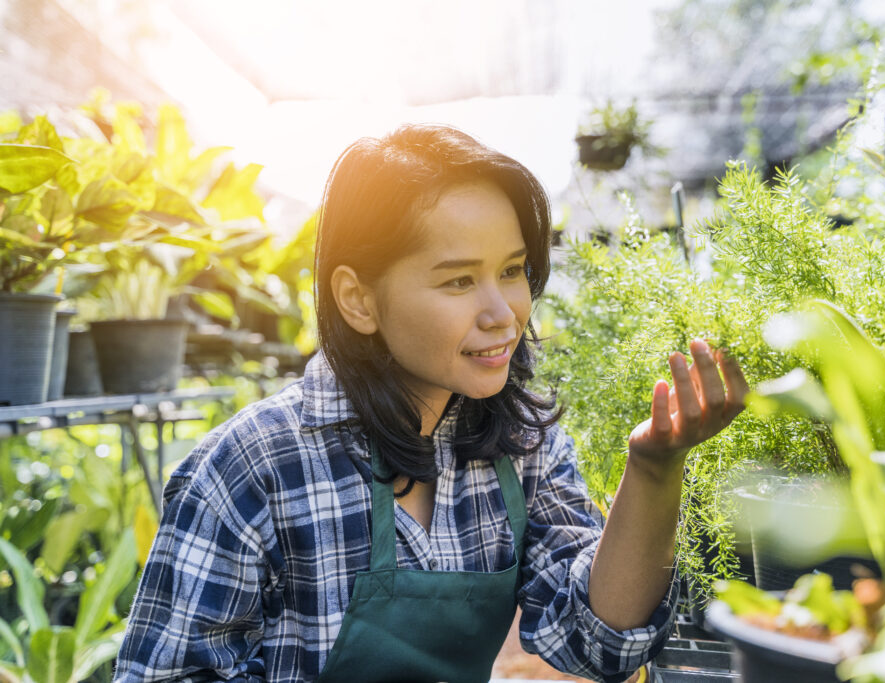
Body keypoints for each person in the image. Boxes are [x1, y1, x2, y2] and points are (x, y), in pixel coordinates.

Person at [113, 124, 748, 683]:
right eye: (459, 280)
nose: (503, 314)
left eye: (512, 271)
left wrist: (655, 467)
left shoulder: (522, 443)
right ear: (359, 300)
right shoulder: (255, 466)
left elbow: (597, 643)